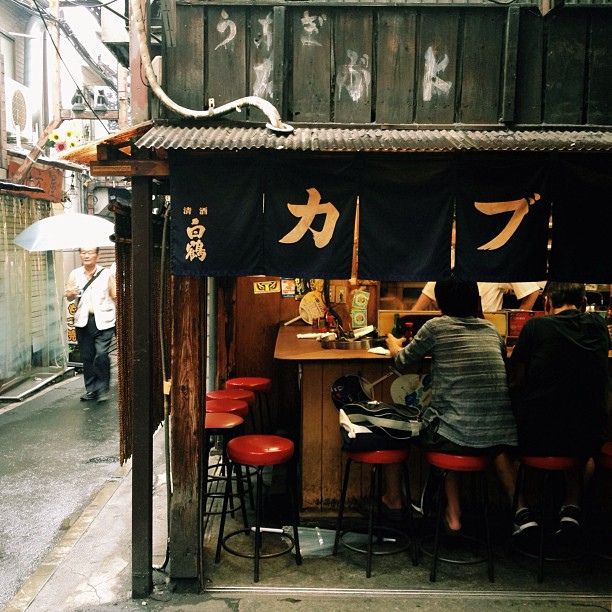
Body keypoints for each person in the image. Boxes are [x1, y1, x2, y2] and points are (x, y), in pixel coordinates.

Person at [386, 277, 518, 532]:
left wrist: (393, 344)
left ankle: (449, 515)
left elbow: (402, 362)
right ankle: (521, 515)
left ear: (441, 302)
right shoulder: (490, 330)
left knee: (430, 426)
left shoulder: (436, 327)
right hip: (497, 437)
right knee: (453, 420)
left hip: (455, 435)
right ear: (474, 300)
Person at [509, 282, 610, 537]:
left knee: (504, 445)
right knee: (582, 446)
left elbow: (517, 379)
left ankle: (523, 511)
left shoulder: (535, 326)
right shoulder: (598, 327)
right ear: (583, 302)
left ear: (547, 303)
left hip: (538, 435)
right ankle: (571, 507)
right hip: (586, 436)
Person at [65, 248, 116, 402]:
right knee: (87, 357)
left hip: (104, 320)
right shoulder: (75, 274)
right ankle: (91, 390)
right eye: (83, 253)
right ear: (80, 255)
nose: (86, 255)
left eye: (90, 252)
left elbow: (115, 295)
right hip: (83, 321)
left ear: (97, 255)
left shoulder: (106, 273)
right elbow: (68, 295)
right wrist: (71, 293)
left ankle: (102, 387)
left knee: (101, 354)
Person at [413, 281, 540, 312]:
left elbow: (531, 291)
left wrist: (516, 324)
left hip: (487, 330)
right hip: (451, 329)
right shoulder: (448, 259)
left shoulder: (495, 259)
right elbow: (425, 299)